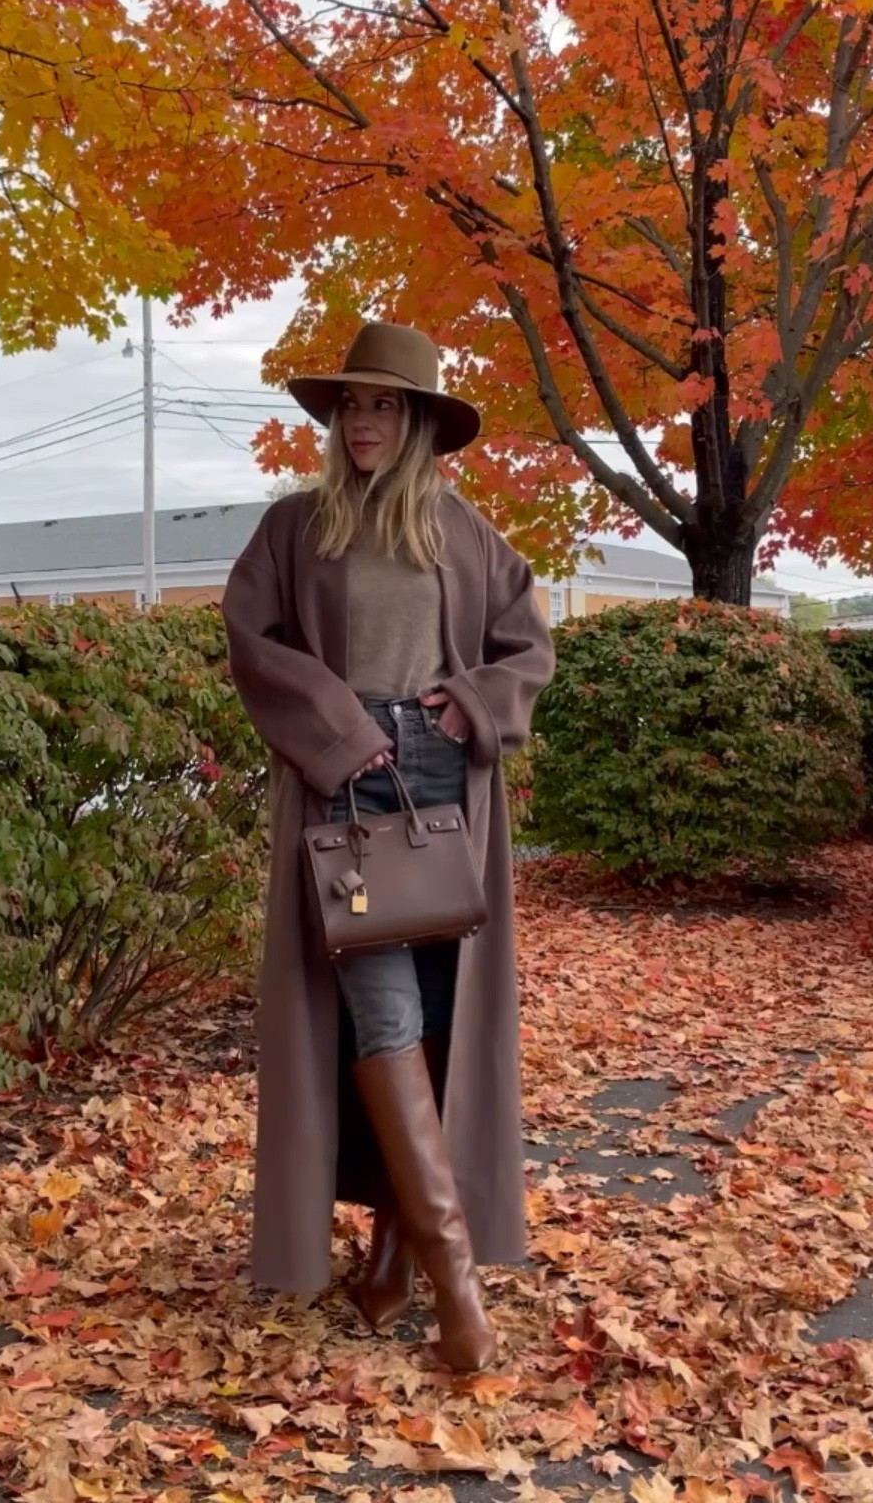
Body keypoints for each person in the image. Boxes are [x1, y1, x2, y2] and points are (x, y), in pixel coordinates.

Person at [222, 322, 555, 1371]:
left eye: (384, 407)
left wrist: (470, 704)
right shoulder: (295, 527)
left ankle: (393, 1254)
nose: (363, 423)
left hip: (442, 776)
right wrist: (341, 731)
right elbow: (252, 640)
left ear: (415, 423)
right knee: (382, 1008)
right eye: (351, 406)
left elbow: (528, 647)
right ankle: (458, 1290)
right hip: (352, 779)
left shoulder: (466, 534)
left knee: (441, 1015)